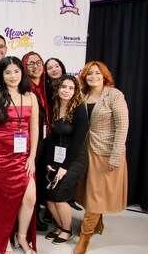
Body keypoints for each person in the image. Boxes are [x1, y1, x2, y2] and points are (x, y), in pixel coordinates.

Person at [0, 56, 38, 254]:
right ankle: (4, 239)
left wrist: (32, 157)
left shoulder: (31, 96)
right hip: (0, 156)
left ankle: (21, 237)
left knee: (30, 198)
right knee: (2, 201)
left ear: (22, 72)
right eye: (8, 72)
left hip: (23, 157)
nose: (13, 76)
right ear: (1, 75)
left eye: (16, 71)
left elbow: (35, 128)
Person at [74, 61, 128, 254]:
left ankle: (85, 237)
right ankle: (98, 223)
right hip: (86, 150)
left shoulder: (114, 95)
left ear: (104, 75)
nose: (93, 77)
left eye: (97, 73)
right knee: (91, 192)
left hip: (106, 152)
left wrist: (116, 155)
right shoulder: (83, 95)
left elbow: (122, 127)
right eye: (89, 74)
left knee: (97, 194)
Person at [44, 75, 88, 245]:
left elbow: (77, 142)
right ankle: (61, 226)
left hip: (75, 158)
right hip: (58, 157)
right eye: (63, 86)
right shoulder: (54, 107)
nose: (66, 90)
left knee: (59, 195)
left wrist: (65, 167)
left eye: (71, 88)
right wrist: (49, 162)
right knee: (48, 196)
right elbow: (51, 139)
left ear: (75, 91)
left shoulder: (78, 109)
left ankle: (67, 230)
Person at [21, 51, 51, 232]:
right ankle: (31, 217)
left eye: (38, 62)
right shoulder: (23, 88)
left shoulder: (49, 86)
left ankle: (42, 211)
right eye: (30, 63)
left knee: (43, 176)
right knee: (32, 177)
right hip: (32, 139)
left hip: (49, 139)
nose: (35, 66)